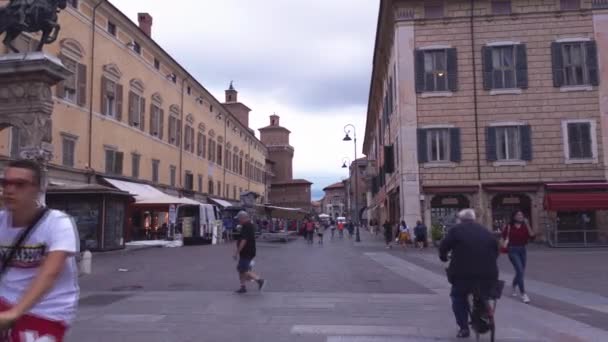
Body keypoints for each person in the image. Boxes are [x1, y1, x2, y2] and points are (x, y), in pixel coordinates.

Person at [0, 159, 80, 341]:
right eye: (5, 183)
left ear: (37, 189)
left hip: (46, 309)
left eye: (20, 184)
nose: (10, 190)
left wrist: (15, 313)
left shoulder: (57, 223)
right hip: (4, 302)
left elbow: (49, 274)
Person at [439, 209, 499, 339]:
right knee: (483, 293)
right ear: (474, 219)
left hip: (463, 274)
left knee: (457, 296)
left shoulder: (456, 230)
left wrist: (443, 257)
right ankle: (484, 310)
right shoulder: (486, 231)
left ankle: (463, 328)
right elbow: (496, 249)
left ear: (460, 220)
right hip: (489, 274)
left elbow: (444, 246)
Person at [502, 210, 535, 304]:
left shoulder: (525, 226)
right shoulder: (509, 226)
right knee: (520, 271)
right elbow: (503, 237)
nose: (520, 216)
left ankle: (513, 285)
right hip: (512, 250)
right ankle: (523, 294)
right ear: (514, 216)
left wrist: (528, 224)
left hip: (522, 250)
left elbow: (532, 236)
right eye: (518, 215)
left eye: (521, 214)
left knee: (520, 272)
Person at [233, 211, 266, 294]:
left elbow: (244, 240)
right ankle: (243, 287)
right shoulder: (247, 225)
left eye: (239, 219)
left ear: (243, 218)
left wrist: (237, 252)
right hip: (248, 251)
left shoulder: (247, 226)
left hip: (247, 251)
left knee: (243, 269)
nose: (238, 221)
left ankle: (259, 280)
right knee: (241, 269)